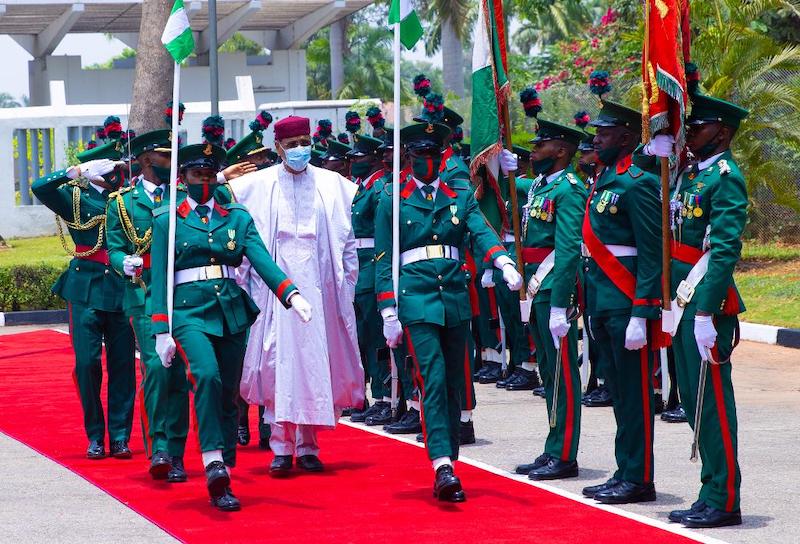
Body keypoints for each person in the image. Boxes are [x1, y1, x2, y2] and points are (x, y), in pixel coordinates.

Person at [150, 142, 308, 511]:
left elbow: (261, 259)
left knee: (227, 394)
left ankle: (224, 472)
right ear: (183, 178)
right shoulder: (166, 220)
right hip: (188, 311)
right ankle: (212, 462)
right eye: (196, 175)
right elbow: (159, 278)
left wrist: (291, 294)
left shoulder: (236, 216)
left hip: (230, 312)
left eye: (208, 175)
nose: (203, 182)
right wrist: (161, 330)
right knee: (206, 376)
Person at [374, 122, 523, 502]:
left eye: (433, 156)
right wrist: (388, 309)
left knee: (456, 380)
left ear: (442, 157)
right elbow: (383, 259)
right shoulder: (392, 198)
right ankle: (441, 463)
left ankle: (449, 460)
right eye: (419, 156)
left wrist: (503, 261)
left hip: (454, 296)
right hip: (417, 298)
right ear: (409, 158)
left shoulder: (458, 194)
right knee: (433, 379)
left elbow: (481, 231)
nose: (427, 163)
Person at [230, 115, 364, 476]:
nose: (300, 150)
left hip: (320, 293)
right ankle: (280, 446)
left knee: (315, 365)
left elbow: (347, 245)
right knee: (277, 367)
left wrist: (344, 290)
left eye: (304, 142)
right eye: (292, 145)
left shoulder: (334, 185)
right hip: (274, 295)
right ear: (278, 148)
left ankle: (308, 445)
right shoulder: (254, 186)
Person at [650, 93, 748, 528]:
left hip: (704, 301)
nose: (689, 133)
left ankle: (725, 499)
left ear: (722, 132)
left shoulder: (725, 176)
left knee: (713, 403)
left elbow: (724, 250)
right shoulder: (691, 175)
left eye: (698, 127)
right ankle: (710, 490)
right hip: (683, 301)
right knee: (692, 400)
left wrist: (706, 313)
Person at [580, 100, 664, 504]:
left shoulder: (637, 182)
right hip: (602, 301)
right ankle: (624, 470)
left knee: (634, 394)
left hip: (626, 302)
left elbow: (651, 251)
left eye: (605, 132)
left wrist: (641, 311)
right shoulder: (607, 178)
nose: (596, 138)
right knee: (617, 391)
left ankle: (639, 478)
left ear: (628, 138)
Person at [32, 139, 136, 460]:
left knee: (122, 365)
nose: (115, 172)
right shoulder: (75, 197)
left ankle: (119, 436)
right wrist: (76, 172)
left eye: (117, 166)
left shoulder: (130, 199)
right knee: (86, 363)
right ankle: (95, 435)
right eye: (109, 167)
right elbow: (40, 188)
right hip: (85, 287)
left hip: (121, 286)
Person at [106, 129, 192, 481]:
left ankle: (177, 451)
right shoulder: (123, 203)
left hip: (181, 294)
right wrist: (121, 261)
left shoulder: (184, 196)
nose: (171, 163)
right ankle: (158, 446)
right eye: (163, 156)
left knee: (179, 374)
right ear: (144, 160)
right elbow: (113, 245)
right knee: (157, 367)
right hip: (143, 295)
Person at [511, 119, 586, 480]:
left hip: (553, 285)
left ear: (560, 150)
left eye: (540, 145)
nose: (533, 151)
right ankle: (553, 445)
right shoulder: (542, 186)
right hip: (537, 287)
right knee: (547, 370)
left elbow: (569, 247)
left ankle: (565, 453)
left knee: (562, 373)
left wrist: (560, 303)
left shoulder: (569, 189)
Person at [346, 134, 395, 427]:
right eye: (352, 158)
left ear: (374, 158)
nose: (354, 162)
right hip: (357, 269)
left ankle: (383, 397)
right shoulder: (361, 188)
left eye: (359, 158)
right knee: (362, 338)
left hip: (372, 266)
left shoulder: (378, 189)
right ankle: (367, 394)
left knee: (376, 337)